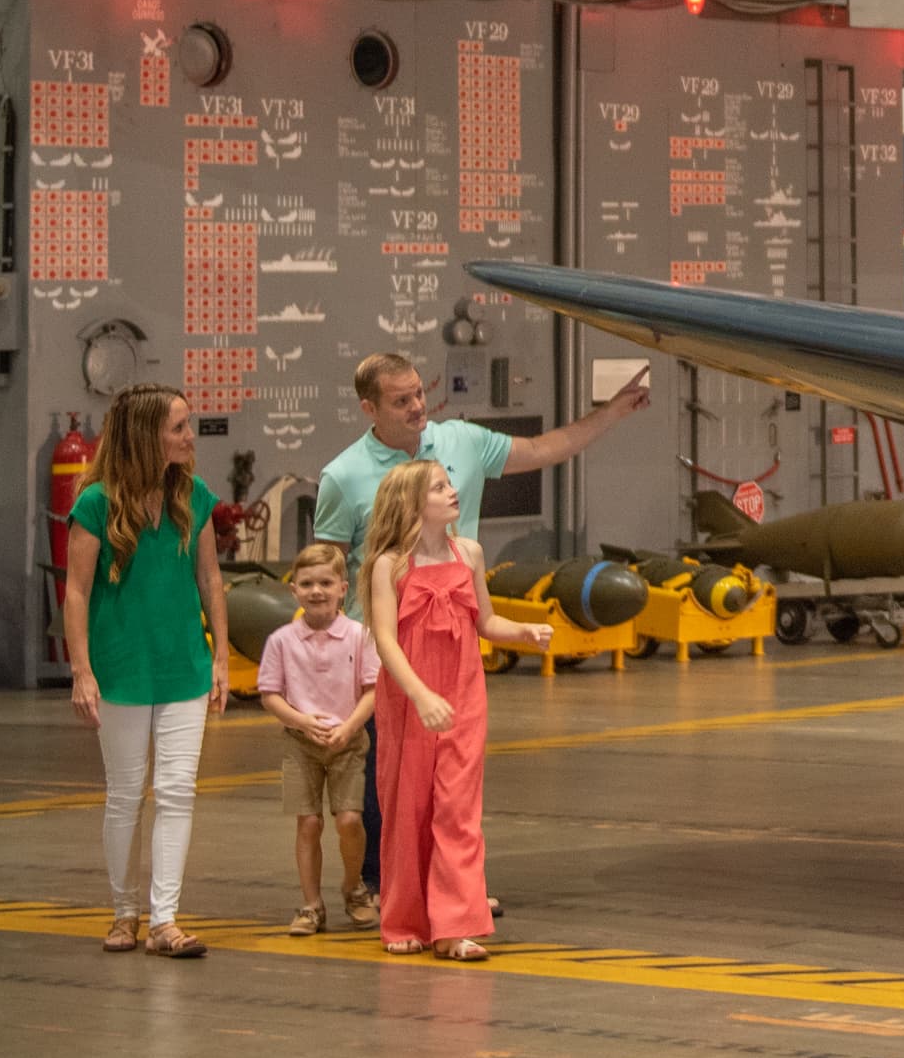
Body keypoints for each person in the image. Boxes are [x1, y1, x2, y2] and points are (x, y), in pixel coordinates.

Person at [311, 350, 649, 893]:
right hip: (382, 651)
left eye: (420, 393)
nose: (418, 406)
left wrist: (613, 412)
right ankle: (385, 885)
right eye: (402, 401)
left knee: (454, 777)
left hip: (453, 643)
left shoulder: (461, 442)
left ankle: (451, 885)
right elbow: (325, 566)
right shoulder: (343, 475)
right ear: (369, 408)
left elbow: (543, 449)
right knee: (391, 779)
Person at [62, 382, 229, 960]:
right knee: (126, 793)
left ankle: (165, 920)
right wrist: (81, 671)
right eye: (179, 427)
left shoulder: (195, 496)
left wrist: (222, 656)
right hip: (121, 667)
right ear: (146, 435)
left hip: (184, 662)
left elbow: (210, 579)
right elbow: (77, 592)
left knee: (178, 790)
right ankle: (124, 912)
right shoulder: (95, 504)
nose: (189, 437)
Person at [358, 457, 548, 961]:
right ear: (412, 503)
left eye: (449, 482)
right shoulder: (390, 566)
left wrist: (523, 632)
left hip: (464, 699)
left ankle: (455, 926)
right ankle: (404, 918)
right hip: (409, 701)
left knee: (459, 812)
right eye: (439, 487)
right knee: (408, 808)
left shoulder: (470, 553)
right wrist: (420, 695)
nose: (451, 491)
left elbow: (485, 620)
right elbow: (384, 639)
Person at [254, 541, 378, 935]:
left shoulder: (361, 636)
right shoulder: (281, 641)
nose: (317, 591)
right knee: (307, 823)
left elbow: (373, 690)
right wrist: (302, 723)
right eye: (306, 583)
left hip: (348, 741)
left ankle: (353, 886)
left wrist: (349, 728)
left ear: (344, 587)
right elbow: (270, 695)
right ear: (294, 590)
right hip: (300, 743)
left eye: (326, 582)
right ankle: (310, 904)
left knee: (349, 820)